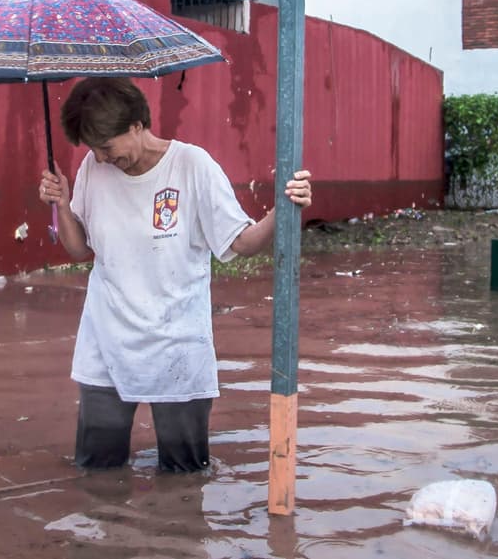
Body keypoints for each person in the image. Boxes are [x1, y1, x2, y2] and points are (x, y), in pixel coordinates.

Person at [37, 77, 313, 473]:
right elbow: (80, 250)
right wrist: (62, 205)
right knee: (96, 472)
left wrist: (285, 210)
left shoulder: (192, 166)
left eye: (107, 147)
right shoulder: (91, 170)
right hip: (106, 344)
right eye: (93, 150)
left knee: (185, 475)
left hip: (178, 346)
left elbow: (242, 242)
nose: (101, 158)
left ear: (136, 125)